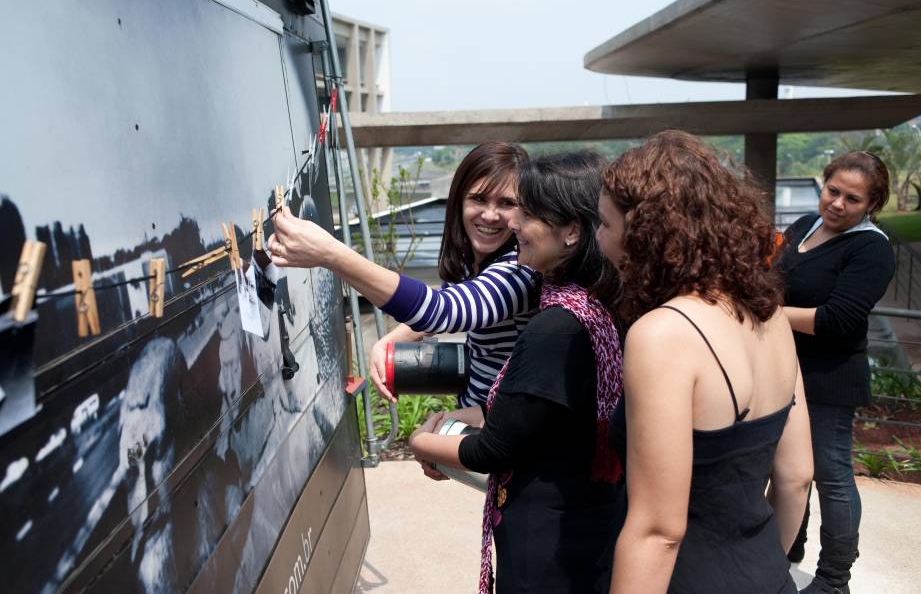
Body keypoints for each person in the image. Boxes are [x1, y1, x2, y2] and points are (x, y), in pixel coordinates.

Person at [597, 130, 813, 594]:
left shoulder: (663, 334)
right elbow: (797, 478)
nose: (599, 239)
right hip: (768, 578)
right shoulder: (770, 315)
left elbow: (658, 531)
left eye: (604, 224)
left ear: (643, 234)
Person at [409, 151, 624, 593]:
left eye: (525, 213)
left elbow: (493, 450)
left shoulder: (557, 326)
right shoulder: (592, 304)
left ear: (571, 232)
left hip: (546, 544)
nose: (512, 224)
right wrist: (484, 410)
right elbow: (546, 414)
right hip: (588, 520)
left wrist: (422, 441)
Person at [268, 142, 538, 409]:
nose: (490, 215)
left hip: (501, 428)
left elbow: (440, 311)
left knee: (422, 442)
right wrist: (389, 341)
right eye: (478, 198)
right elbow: (443, 308)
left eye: (506, 203)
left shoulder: (519, 270)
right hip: (476, 409)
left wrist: (331, 253)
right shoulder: (473, 261)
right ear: (458, 200)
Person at [776, 151, 895, 594]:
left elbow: (836, 319)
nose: (838, 204)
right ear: (822, 184)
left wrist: (770, 312)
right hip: (787, 370)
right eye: (833, 190)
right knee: (790, 470)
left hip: (831, 379)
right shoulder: (803, 224)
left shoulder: (872, 248)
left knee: (832, 477)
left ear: (872, 205)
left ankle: (833, 578)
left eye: (853, 199)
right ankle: (787, 552)